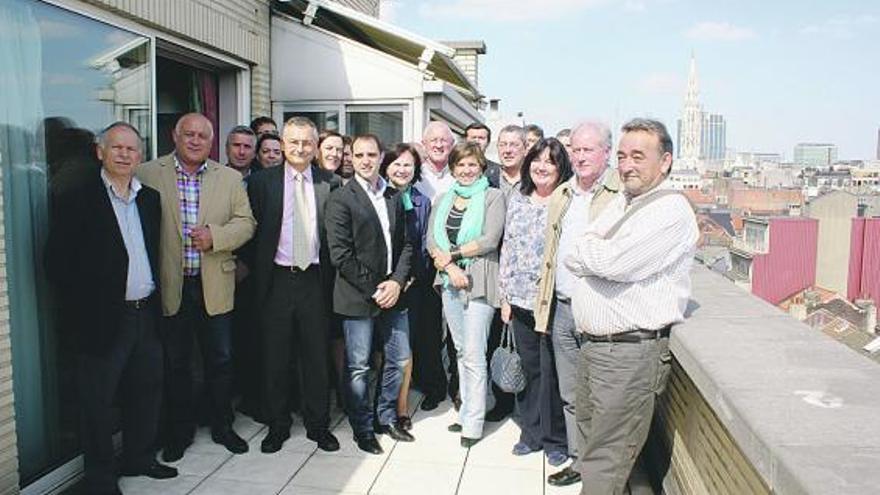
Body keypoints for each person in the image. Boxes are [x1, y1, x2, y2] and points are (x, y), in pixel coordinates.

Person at [564, 118, 698, 494]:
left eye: (638, 156)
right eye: (622, 156)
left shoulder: (669, 210)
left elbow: (612, 263)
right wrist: (594, 253)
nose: (626, 165)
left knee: (605, 463)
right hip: (598, 349)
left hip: (628, 355)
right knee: (603, 453)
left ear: (666, 161)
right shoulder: (626, 200)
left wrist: (594, 254)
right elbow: (578, 246)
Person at [47, 122, 177, 495]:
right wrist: (84, 310)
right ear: (99, 152)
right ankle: (102, 478)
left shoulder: (149, 199)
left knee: (146, 390)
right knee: (98, 402)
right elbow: (56, 263)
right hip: (103, 319)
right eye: (115, 147)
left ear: (140, 156)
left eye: (131, 149)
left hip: (145, 313)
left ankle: (138, 457)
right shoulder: (77, 197)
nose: (123, 154)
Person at [138, 113, 256, 462]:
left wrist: (216, 237)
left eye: (202, 136)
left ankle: (223, 426)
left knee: (220, 359)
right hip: (172, 285)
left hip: (215, 284)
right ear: (174, 136)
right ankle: (179, 432)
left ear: (211, 140)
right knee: (177, 363)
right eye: (187, 134)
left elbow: (246, 223)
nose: (194, 140)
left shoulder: (230, 178)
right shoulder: (147, 173)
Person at [246, 117, 341, 453]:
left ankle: (318, 425)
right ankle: (278, 425)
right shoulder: (262, 183)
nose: (300, 148)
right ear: (282, 145)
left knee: (316, 357)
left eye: (306, 142)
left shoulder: (331, 182)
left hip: (315, 280)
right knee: (276, 357)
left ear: (316, 147)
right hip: (277, 280)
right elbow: (252, 234)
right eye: (294, 142)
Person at [540, 121, 623, 487]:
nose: (580, 156)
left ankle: (601, 468)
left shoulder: (621, 194)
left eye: (589, 149)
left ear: (607, 152)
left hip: (600, 309)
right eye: (575, 149)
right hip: (561, 306)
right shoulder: (563, 194)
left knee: (601, 396)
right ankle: (578, 460)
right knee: (570, 392)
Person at [327, 134, 415, 454]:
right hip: (358, 297)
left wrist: (396, 282)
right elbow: (341, 255)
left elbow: (407, 243)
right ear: (351, 158)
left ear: (381, 157)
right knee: (359, 366)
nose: (366, 160)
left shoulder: (393, 195)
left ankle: (386, 416)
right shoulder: (341, 197)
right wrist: (378, 288)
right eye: (359, 154)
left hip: (395, 293)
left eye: (372, 154)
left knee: (399, 357)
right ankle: (362, 428)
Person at [499, 138, 572, 466]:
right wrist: (505, 296)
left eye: (550, 162)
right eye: (537, 160)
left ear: (560, 169)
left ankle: (555, 438)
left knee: (552, 371)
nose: (542, 167)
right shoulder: (518, 198)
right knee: (529, 369)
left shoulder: (566, 200)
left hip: (551, 302)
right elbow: (508, 247)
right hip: (519, 300)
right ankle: (530, 433)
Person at [427, 142, 505, 447]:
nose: (466, 170)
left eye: (472, 164)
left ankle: (473, 421)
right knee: (460, 349)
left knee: (474, 352)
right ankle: (471, 407)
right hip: (449, 281)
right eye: (460, 165)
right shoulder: (444, 199)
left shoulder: (493, 197)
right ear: (453, 168)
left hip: (480, 280)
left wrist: (453, 256)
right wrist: (450, 268)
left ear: (482, 167)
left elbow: (490, 239)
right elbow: (432, 239)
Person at [380, 143, 438, 427]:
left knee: (405, 348)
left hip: (411, 284)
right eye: (397, 164)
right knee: (378, 350)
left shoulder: (422, 201)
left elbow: (424, 244)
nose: (402, 170)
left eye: (408, 165)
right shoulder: (377, 196)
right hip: (376, 284)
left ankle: (401, 408)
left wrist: (408, 278)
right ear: (386, 165)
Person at [415, 121, 456, 200]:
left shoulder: (461, 175)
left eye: (444, 140)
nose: (438, 145)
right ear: (424, 144)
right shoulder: (414, 175)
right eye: (433, 140)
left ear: (452, 144)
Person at [465, 122, 501, 188]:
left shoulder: (498, 171)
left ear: (488, 142)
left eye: (481, 138)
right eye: (473, 137)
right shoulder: (454, 166)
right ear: (466, 140)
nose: (477, 141)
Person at [496, 125, 528, 199]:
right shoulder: (488, 179)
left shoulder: (535, 181)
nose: (508, 150)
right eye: (502, 145)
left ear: (525, 149)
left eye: (514, 145)